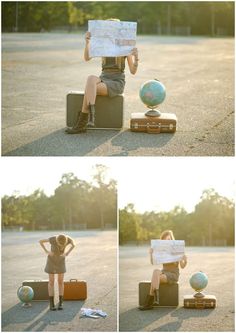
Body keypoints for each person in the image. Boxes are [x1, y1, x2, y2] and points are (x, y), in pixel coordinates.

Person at [66, 18, 139, 134]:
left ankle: (83, 122)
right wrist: (87, 42)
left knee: (89, 88)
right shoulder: (102, 43)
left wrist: (136, 58)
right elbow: (87, 58)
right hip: (104, 78)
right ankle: (89, 117)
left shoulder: (124, 46)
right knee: (90, 79)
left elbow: (133, 71)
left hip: (116, 81)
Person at [139, 230, 187, 310]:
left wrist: (185, 260)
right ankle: (155, 297)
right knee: (156, 271)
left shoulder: (176, 249)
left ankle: (149, 302)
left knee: (155, 278)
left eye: (169, 239)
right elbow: (153, 262)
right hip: (163, 273)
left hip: (173, 274)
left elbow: (182, 266)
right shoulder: (162, 250)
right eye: (165, 240)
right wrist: (151, 254)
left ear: (172, 239)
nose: (167, 241)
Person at [39, 234, 75, 310]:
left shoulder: (67, 239)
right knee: (51, 282)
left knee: (60, 281)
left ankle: (61, 302)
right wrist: (46, 251)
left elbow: (73, 244)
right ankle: (51, 304)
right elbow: (41, 241)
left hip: (61, 261)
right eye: (59, 244)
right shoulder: (52, 239)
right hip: (51, 261)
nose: (61, 246)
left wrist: (68, 252)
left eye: (63, 245)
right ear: (57, 241)